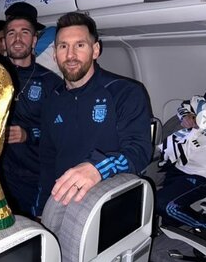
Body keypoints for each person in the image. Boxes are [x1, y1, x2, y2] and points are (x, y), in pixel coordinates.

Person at [38, 12, 152, 215]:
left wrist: (98, 167)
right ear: (55, 54)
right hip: (62, 201)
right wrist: (42, 208)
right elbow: (47, 160)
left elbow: (139, 152)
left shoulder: (124, 92)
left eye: (80, 45)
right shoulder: (51, 101)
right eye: (64, 46)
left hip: (111, 201)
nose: (71, 55)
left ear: (95, 50)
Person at [0, 2, 62, 218]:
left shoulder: (51, 82)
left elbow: (59, 133)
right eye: (11, 33)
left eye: (24, 33)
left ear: (34, 40)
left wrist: (28, 134)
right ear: (4, 41)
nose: (17, 39)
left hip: (34, 176)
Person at [156, 77, 206, 242]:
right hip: (183, 159)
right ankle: (171, 240)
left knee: (165, 205)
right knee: (164, 217)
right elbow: (188, 106)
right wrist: (188, 116)